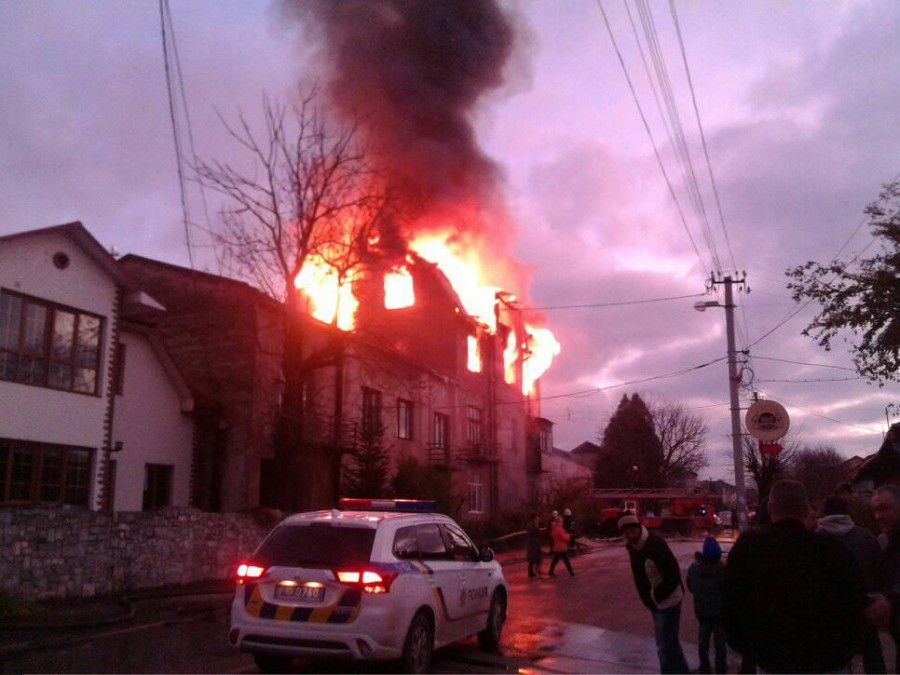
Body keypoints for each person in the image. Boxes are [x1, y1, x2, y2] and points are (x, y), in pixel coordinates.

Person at [723, 479, 866, 673]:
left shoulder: (747, 549)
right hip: (827, 663)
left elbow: (732, 610)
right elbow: (855, 605)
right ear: (806, 510)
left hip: (772, 663)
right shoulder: (832, 550)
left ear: (771, 507)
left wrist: (753, 652)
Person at [817, 495, 887, 673]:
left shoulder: (816, 540)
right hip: (865, 605)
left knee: (837, 660)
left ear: (824, 513)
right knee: (872, 653)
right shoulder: (866, 537)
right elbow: (880, 570)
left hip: (832, 612)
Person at [619, 513, 689, 674]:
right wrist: (648, 600)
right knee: (670, 642)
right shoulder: (633, 547)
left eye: (632, 530)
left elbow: (673, 574)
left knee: (664, 646)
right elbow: (639, 577)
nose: (629, 535)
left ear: (638, 527)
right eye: (626, 533)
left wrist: (655, 597)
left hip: (669, 600)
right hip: (656, 603)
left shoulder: (655, 544)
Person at [867, 485, 900, 673]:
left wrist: (890, 601)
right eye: (875, 510)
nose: (878, 516)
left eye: (884, 508)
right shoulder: (887, 543)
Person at [687, 536, 727, 674]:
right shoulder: (723, 570)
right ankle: (721, 669)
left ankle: (705, 667)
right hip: (719, 612)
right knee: (720, 643)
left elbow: (690, 586)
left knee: (703, 641)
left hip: (702, 612)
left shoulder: (694, 569)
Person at [526, 513, 544, 579]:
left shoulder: (530, 524)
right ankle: (534, 572)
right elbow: (537, 532)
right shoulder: (533, 525)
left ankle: (531, 573)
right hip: (534, 543)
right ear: (534, 518)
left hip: (532, 543)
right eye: (537, 518)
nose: (538, 519)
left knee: (532, 558)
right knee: (535, 558)